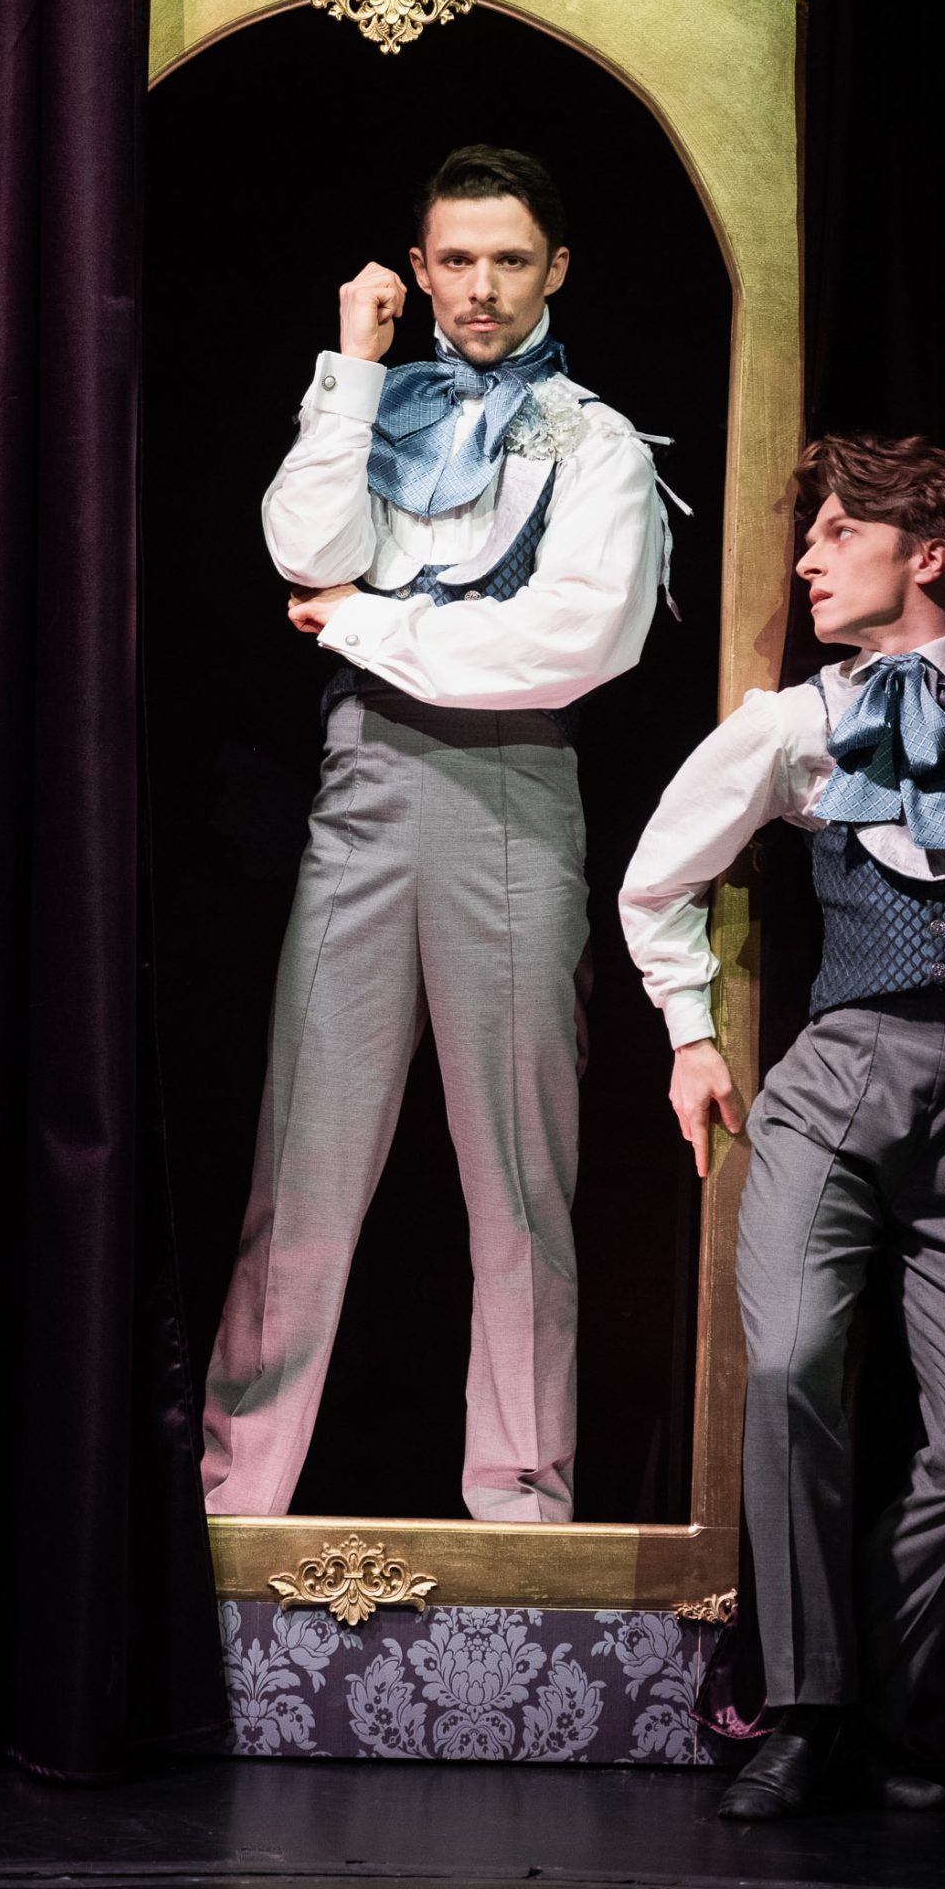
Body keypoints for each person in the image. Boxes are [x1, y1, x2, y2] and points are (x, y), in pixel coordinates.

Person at [619, 433, 945, 1814]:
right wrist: (688, 1037)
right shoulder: (797, 723)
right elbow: (657, 879)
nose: (807, 560)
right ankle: (803, 1711)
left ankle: (864, 1700)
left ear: (929, 553)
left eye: (838, 533)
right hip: (839, 1090)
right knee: (793, 1367)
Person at [202, 145, 668, 1522]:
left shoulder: (595, 441)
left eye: (510, 260)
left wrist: (366, 624)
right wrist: (351, 367)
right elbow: (303, 547)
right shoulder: (379, 408)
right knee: (305, 1164)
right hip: (363, 786)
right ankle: (236, 1490)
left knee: (519, 1180)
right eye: (455, 260)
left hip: (510, 793)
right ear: (417, 270)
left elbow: (572, 641)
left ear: (556, 269)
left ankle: (522, 1502)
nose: (481, 288)